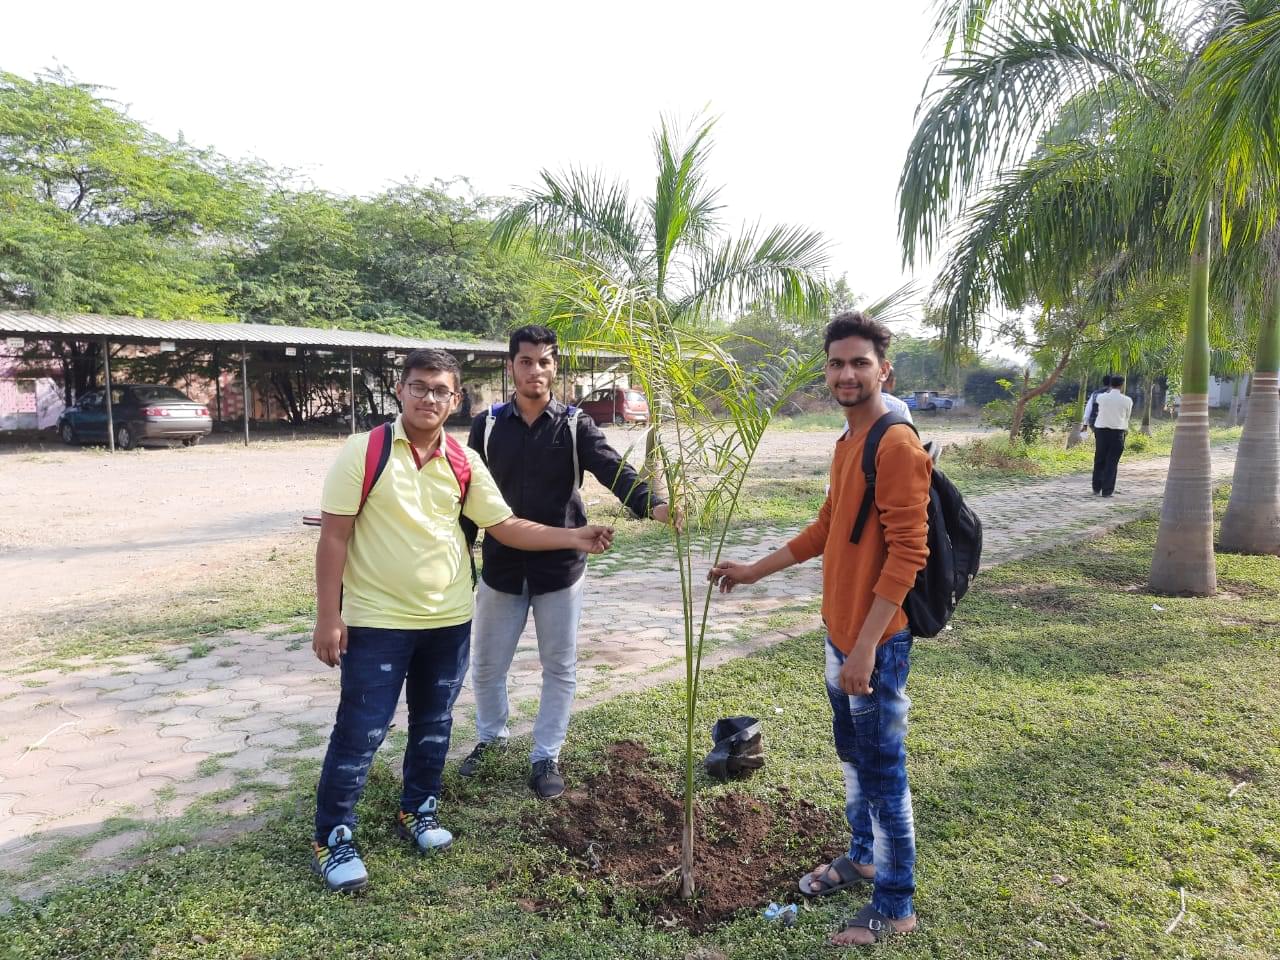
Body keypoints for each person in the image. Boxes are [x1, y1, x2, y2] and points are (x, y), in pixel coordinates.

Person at [309, 348, 614, 893]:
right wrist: (328, 617)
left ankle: (418, 810)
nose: (429, 398)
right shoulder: (366, 452)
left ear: (455, 400)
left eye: (441, 391)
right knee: (362, 731)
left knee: (434, 726)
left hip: (448, 620)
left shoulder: (462, 460)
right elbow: (334, 536)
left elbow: (506, 525)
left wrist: (574, 536)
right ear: (400, 391)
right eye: (419, 387)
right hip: (377, 620)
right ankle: (333, 837)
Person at [709, 311, 931, 948]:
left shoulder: (895, 444)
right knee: (855, 763)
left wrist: (865, 647)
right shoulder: (849, 440)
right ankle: (863, 858)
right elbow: (826, 528)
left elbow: (908, 556)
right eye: (836, 363)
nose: (847, 373)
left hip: (875, 645)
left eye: (860, 362)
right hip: (843, 636)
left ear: (883, 370)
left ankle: (894, 905)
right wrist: (756, 570)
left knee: (884, 773)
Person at [460, 325, 676, 799]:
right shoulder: (488, 425)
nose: (535, 370)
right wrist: (460, 552)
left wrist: (654, 505)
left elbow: (613, 469)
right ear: (511, 366)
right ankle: (491, 740)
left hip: (560, 569)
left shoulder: (576, 424)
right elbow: (469, 495)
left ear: (555, 367)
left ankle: (545, 755)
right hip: (501, 568)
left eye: (544, 361)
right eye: (525, 361)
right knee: (488, 666)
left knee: (558, 666)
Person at [1092, 374, 1133, 497]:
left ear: (1110, 384)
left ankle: (1096, 487)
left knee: (1099, 459)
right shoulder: (1127, 400)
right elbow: (1127, 416)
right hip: (1117, 432)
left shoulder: (1101, 397)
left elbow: (1097, 408)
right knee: (1112, 461)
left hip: (1101, 431)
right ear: (1122, 385)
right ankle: (1107, 490)